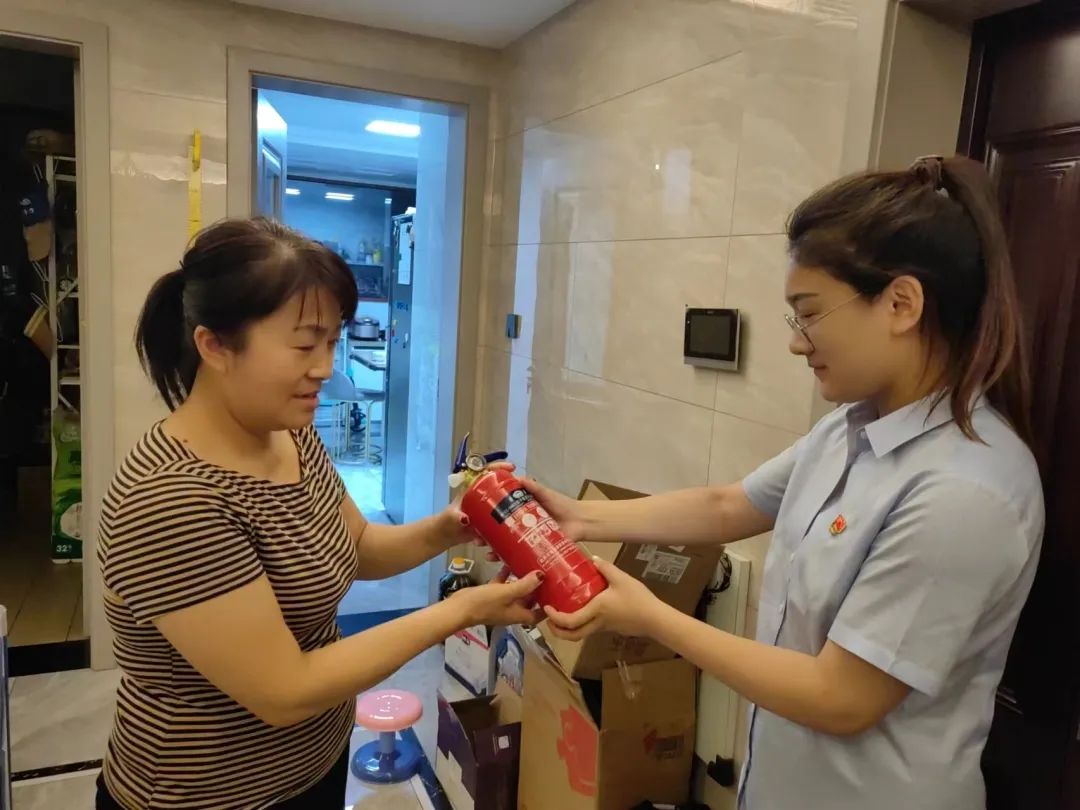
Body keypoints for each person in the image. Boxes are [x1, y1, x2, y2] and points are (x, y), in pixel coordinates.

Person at [527, 156, 1043, 810]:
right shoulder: (850, 430)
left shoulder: (965, 492)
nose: (799, 343)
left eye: (809, 314)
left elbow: (841, 698)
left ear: (901, 304)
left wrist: (650, 616)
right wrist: (579, 519)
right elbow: (727, 507)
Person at [95, 218, 543, 810]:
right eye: (306, 345)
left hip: (314, 765)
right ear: (215, 346)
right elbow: (284, 690)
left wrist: (449, 527)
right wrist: (461, 610)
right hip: (208, 794)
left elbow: (356, 547)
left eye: (332, 341)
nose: (326, 367)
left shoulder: (289, 434)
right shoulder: (172, 499)